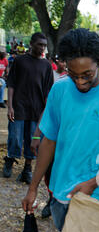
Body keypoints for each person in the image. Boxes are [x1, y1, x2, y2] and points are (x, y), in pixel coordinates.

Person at [22, 28, 99, 232]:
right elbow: (49, 141)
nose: (80, 82)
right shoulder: (60, 90)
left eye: (87, 75)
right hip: (60, 190)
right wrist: (33, 187)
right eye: (74, 75)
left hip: (96, 196)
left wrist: (92, 184)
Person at [2, 33, 53, 183]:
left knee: (33, 139)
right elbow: (11, 84)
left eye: (44, 45)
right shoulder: (20, 61)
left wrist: (45, 111)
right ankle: (10, 159)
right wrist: (10, 106)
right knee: (15, 137)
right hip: (18, 107)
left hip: (36, 110)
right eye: (39, 44)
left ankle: (27, 169)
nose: (42, 47)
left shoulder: (47, 66)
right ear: (31, 44)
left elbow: (48, 92)